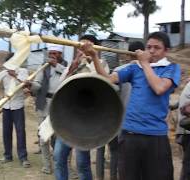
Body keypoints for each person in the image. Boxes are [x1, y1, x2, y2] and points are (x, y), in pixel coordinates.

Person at [80, 31, 181, 180]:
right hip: (129, 134)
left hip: (156, 136)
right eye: (149, 47)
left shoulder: (171, 68)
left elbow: (159, 88)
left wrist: (145, 63)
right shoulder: (134, 69)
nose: (151, 51)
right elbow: (107, 79)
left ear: (166, 51)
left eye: (157, 48)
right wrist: (95, 56)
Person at [54, 35, 108, 180]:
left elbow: (104, 83)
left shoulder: (101, 63)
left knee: (82, 162)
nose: (83, 49)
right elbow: (60, 85)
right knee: (59, 157)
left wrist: (91, 60)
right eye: (81, 46)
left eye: (87, 46)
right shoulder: (74, 64)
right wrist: (75, 64)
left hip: (86, 120)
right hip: (67, 118)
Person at [95, 41, 145, 180]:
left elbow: (109, 89)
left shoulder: (120, 70)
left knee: (104, 148)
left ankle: (101, 177)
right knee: (117, 152)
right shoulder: (148, 71)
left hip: (114, 118)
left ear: (129, 54)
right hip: (133, 122)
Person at [26, 43, 67, 174]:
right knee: (43, 138)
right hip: (42, 105)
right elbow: (37, 85)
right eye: (50, 54)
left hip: (58, 107)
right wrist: (30, 84)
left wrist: (56, 66)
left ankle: (59, 165)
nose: (52, 57)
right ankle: (46, 166)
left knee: (57, 139)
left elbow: (66, 76)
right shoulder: (43, 68)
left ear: (60, 55)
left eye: (55, 54)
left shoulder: (66, 67)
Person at [0, 64, 31, 168]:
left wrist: (15, 75)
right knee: (6, 132)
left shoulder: (22, 71)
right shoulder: (4, 73)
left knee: (20, 132)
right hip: (6, 106)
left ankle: (23, 158)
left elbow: (26, 84)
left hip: (18, 106)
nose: (8, 68)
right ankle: (7, 156)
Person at [170, 80, 190, 180]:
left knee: (187, 165)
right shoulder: (188, 84)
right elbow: (181, 102)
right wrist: (172, 106)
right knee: (186, 163)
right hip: (184, 130)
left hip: (187, 130)